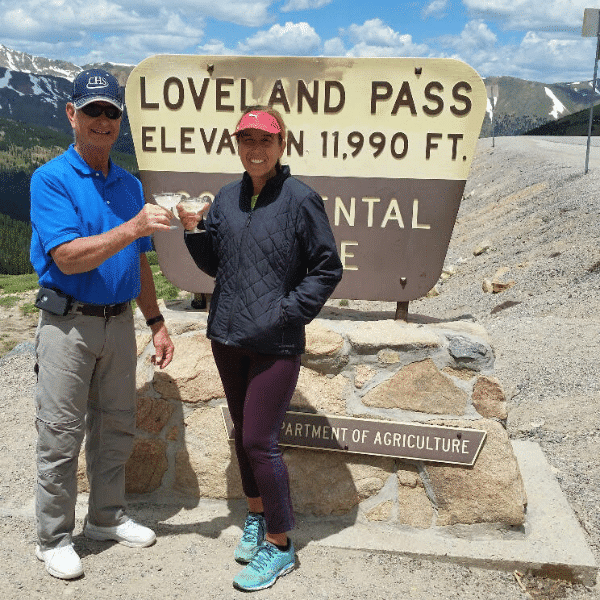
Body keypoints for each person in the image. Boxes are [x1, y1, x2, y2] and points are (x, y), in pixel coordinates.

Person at [178, 106, 343, 592]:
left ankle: (280, 543)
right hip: (228, 338)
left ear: (281, 144)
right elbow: (217, 264)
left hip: (276, 341)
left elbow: (327, 268)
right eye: (246, 140)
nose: (255, 149)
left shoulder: (301, 199)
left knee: (259, 442)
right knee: (242, 435)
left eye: (265, 140)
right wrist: (193, 230)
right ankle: (255, 516)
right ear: (237, 144)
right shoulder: (226, 198)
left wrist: (288, 312)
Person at [30, 68, 175, 580]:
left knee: (116, 425)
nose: (101, 121)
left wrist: (155, 320)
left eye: (110, 113)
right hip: (67, 324)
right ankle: (53, 538)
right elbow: (67, 257)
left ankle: (106, 517)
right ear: (71, 114)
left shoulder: (129, 184)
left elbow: (139, 263)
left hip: (119, 322)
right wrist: (132, 226)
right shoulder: (50, 178)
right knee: (61, 433)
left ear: (119, 121)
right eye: (91, 110)